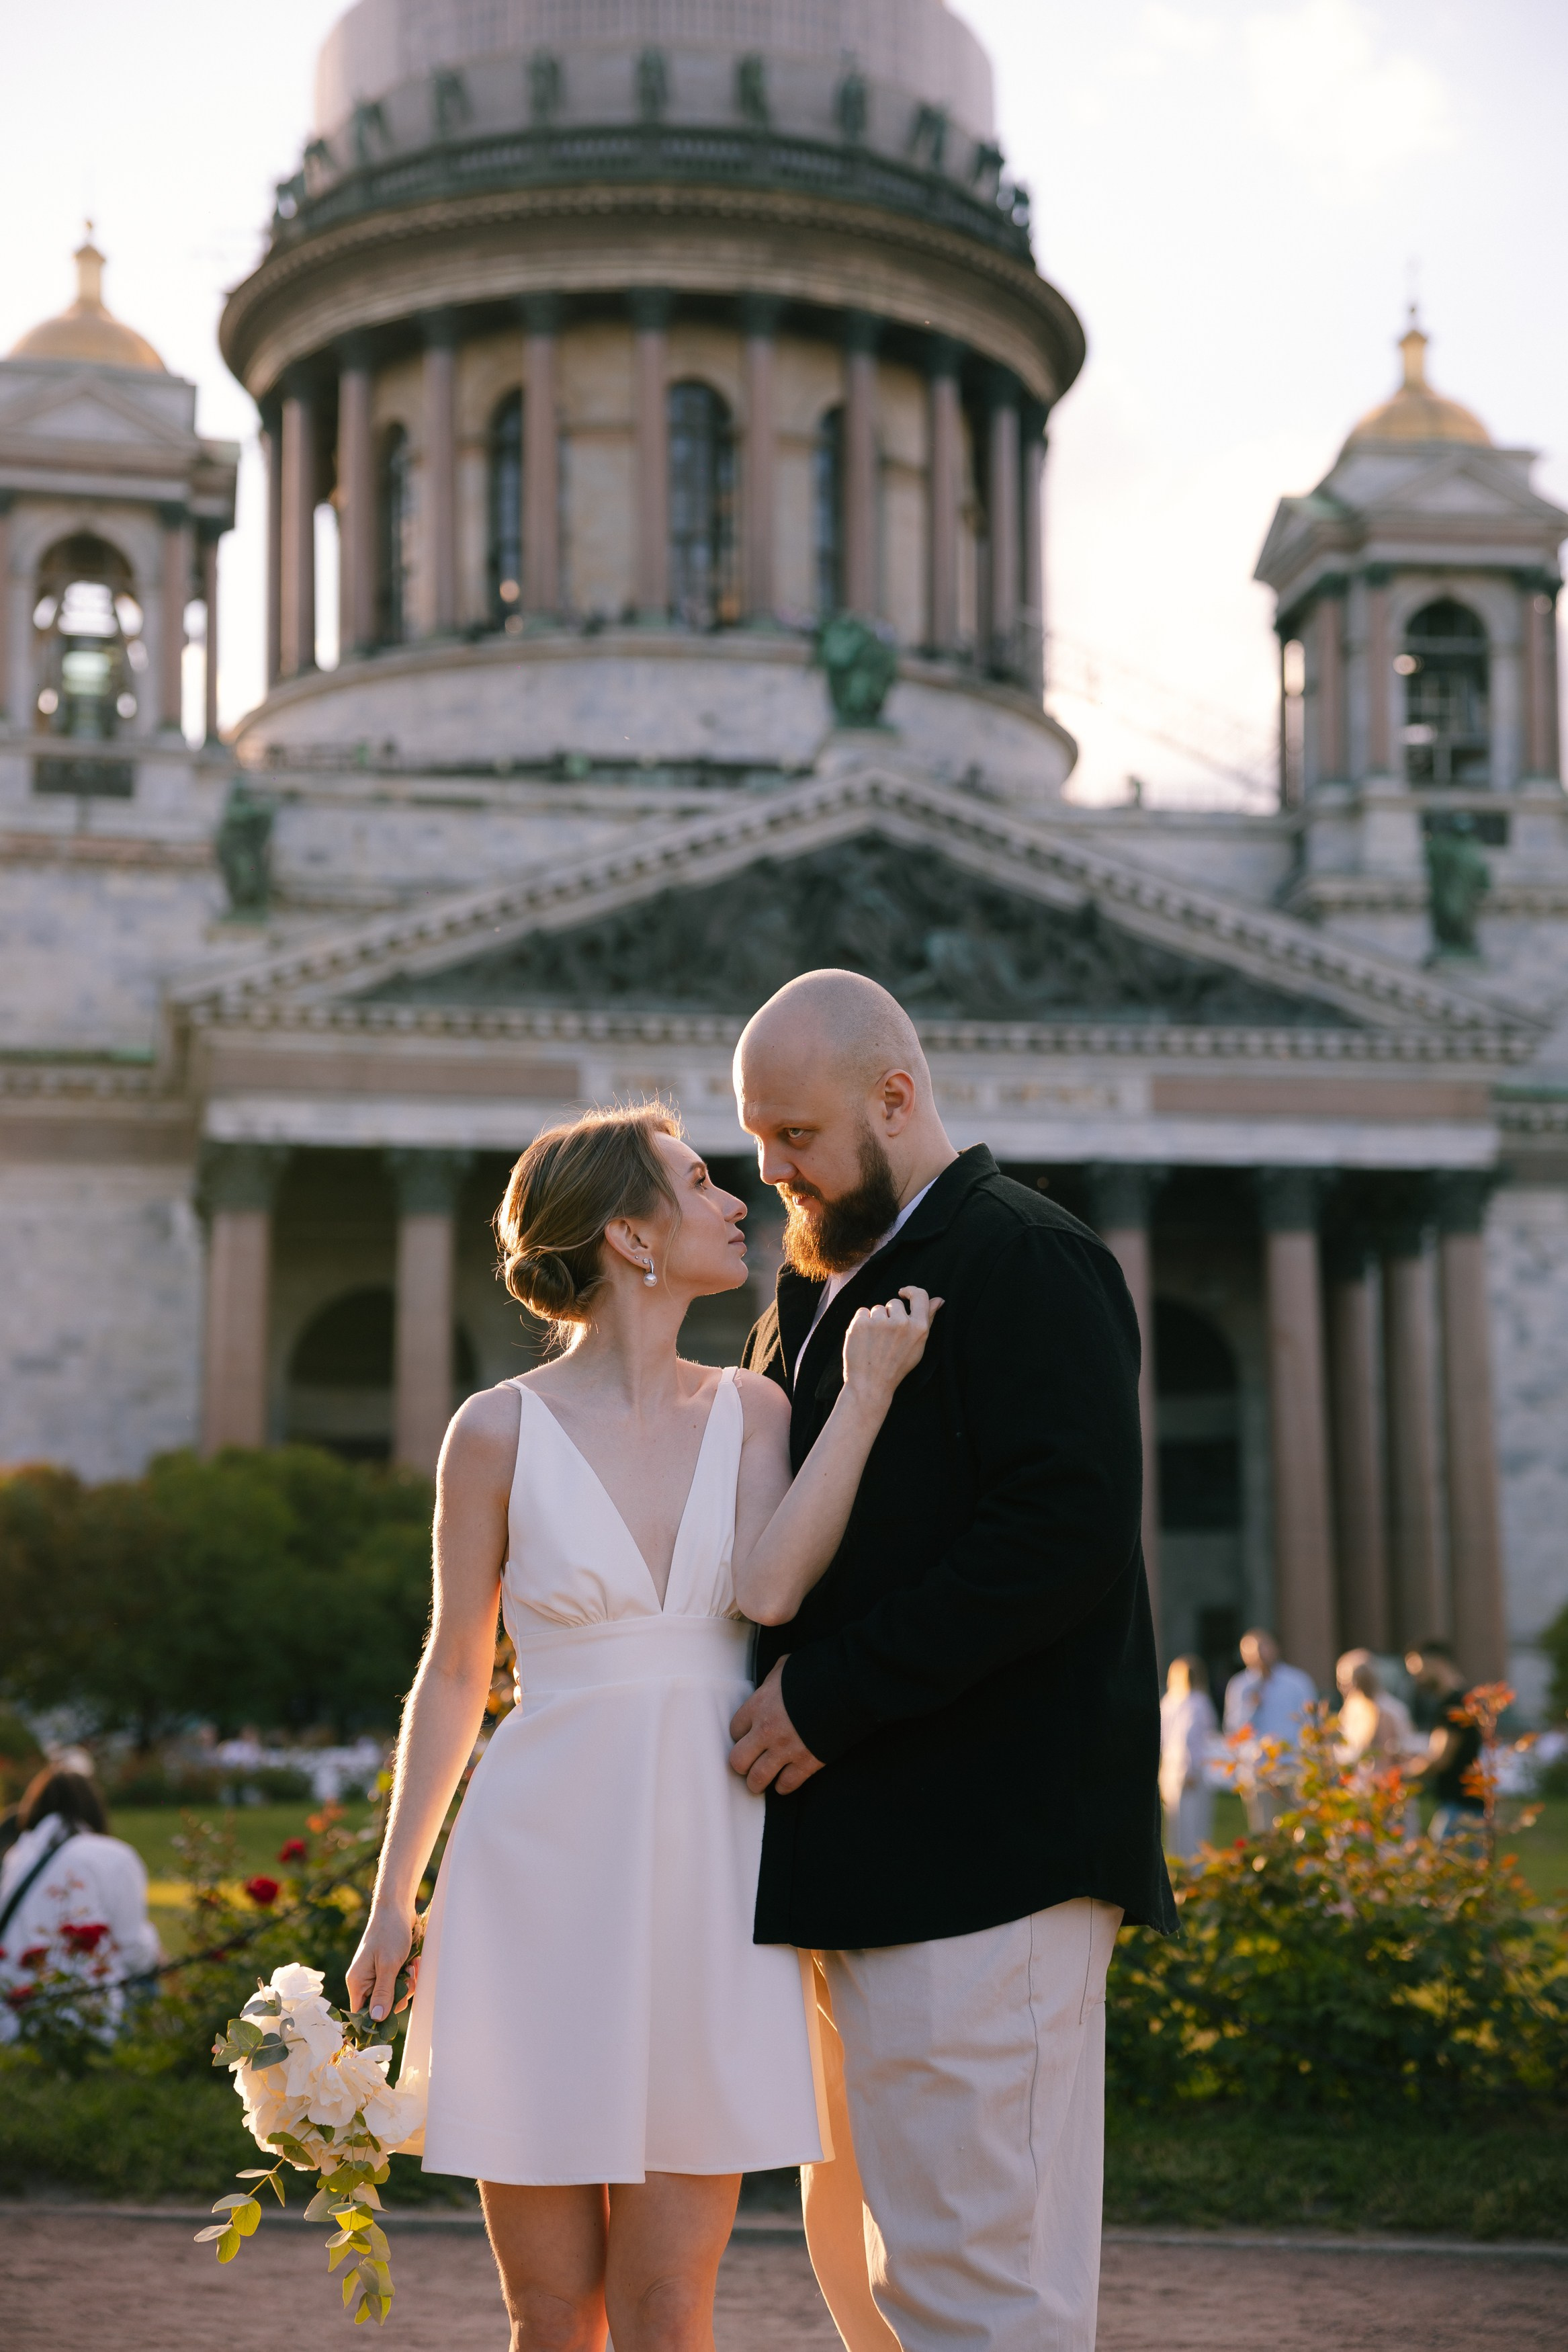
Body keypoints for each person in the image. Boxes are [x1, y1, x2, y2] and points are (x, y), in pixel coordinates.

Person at [347, 1103, 940, 2352]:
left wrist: (869, 1397)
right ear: (628, 1234)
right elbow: (455, 1670)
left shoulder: (756, 1409)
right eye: (697, 1181)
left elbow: (772, 1592)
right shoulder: (493, 1431)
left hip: (705, 1876)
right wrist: (395, 1893)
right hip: (532, 1872)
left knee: (671, 2306)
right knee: (549, 2308)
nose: (741, 1199)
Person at [728, 969, 1174, 2352]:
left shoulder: (1025, 1255)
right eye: (757, 1141)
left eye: (795, 1137)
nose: (771, 1171)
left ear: (896, 1098)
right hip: (863, 1860)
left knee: (987, 2287)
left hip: (990, 1862)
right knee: (878, 2284)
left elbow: (1065, 1533)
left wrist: (828, 1694)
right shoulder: (817, 1292)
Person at [0, 1767, 161, 2042]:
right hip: (87, 2017)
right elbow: (135, 1952)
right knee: (150, 1966)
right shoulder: (114, 1856)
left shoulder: (18, 1855)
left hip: (13, 2012)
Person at [1222, 1628, 1317, 1832]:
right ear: (1244, 1656)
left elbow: (1311, 1723)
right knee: (1263, 1828)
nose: (1260, 1655)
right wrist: (1251, 1705)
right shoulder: (1240, 1686)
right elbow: (1233, 1730)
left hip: (1292, 1766)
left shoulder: (1297, 1682)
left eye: (1264, 1648)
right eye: (1253, 1651)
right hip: (1258, 1769)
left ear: (1275, 1648)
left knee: (1301, 1825)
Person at [1405, 1639, 1485, 1844]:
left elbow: (1440, 1759)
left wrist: (1400, 1774)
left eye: (1419, 1669)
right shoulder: (1460, 1700)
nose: (1416, 1678)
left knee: (1442, 1872)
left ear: (1439, 1662)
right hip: (1465, 1807)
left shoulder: (1455, 1704)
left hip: (1460, 1809)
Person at [1160, 1656, 1219, 1861]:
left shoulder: (1168, 1702)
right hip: (1191, 1772)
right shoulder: (1197, 1702)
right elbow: (1190, 1739)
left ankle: (1178, 1872)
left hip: (1170, 1771)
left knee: (1176, 1826)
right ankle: (1193, 1873)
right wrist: (1190, 1770)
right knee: (1195, 1827)